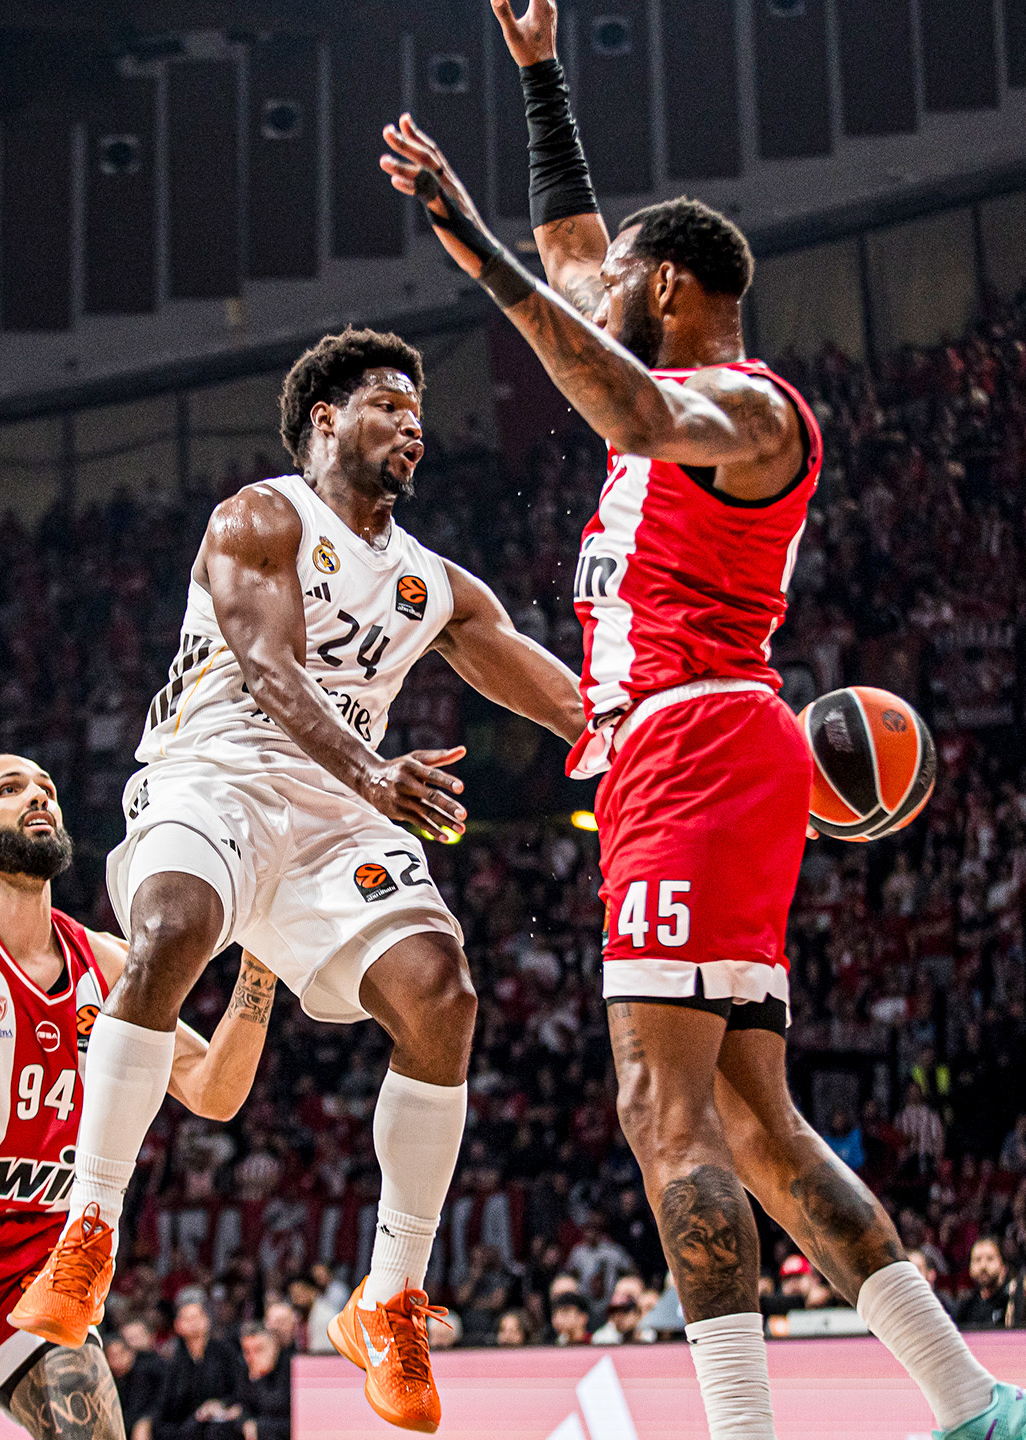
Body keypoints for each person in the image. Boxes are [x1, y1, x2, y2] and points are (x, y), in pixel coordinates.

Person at [377, 3, 1026, 1435]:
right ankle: (973, 1402)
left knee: (657, 1110)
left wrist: (474, 252)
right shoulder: (664, 347)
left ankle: (741, 1428)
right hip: (685, 756)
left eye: (615, 280)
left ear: (664, 286)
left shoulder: (744, 408)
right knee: (752, 1122)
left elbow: (622, 408)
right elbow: (574, 255)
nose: (588, 283)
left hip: (696, 746)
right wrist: (542, 79)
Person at [14, 328, 585, 1435]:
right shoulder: (262, 515)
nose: (411, 419)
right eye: (384, 401)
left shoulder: (432, 583)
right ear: (325, 419)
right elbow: (269, 666)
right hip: (214, 773)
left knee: (443, 994)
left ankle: (389, 1296)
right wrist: (376, 767)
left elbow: (564, 700)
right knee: (172, 924)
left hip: (333, 819)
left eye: (418, 405)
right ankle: (90, 1228)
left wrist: (658, 734)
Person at [0, 753, 275, 1440]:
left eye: (47, 788)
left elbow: (214, 1090)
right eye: (10, 790)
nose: (38, 797)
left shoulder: (107, 961)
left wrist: (265, 962)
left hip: (37, 1258)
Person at [151, 1299, 241, 1440]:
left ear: (207, 1320)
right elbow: (164, 1408)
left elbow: (240, 1391)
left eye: (197, 1317)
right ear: (177, 1325)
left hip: (217, 1424)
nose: (193, 1322)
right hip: (183, 1428)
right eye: (187, 1318)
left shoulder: (225, 1353)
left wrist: (219, 1404)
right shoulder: (172, 1362)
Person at [106, 1331, 167, 1440]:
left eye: (121, 1354)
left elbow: (153, 1405)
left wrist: (145, 1421)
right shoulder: (106, 1380)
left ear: (131, 1353)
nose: (118, 1360)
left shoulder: (147, 1371)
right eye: (112, 1357)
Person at [236, 1324, 291, 1440]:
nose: (252, 1357)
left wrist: (260, 1380)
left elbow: (284, 1415)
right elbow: (244, 1407)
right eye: (247, 1351)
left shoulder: (291, 1369)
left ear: (275, 1346)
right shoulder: (247, 1370)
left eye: (259, 1349)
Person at [955, 1238, 1010, 1330]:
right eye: (977, 1260)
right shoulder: (965, 1307)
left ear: (1003, 1266)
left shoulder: (1011, 1301)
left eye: (990, 1259)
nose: (983, 1266)